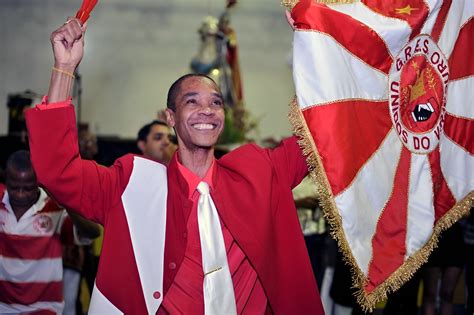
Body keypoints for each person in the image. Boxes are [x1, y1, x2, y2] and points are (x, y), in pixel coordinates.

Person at [25, 18, 324, 314]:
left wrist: (317, 40)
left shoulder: (256, 172)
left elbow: (319, 134)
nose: (207, 110)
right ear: (170, 117)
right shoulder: (131, 184)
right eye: (192, 102)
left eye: (216, 102)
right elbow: (57, 169)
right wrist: (64, 69)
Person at [0, 150, 99, 314]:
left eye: (28, 188)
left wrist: (65, 202)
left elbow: (92, 232)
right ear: (6, 180)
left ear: (38, 182)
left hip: (43, 307)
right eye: (15, 188)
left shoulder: (54, 207)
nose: (20, 194)